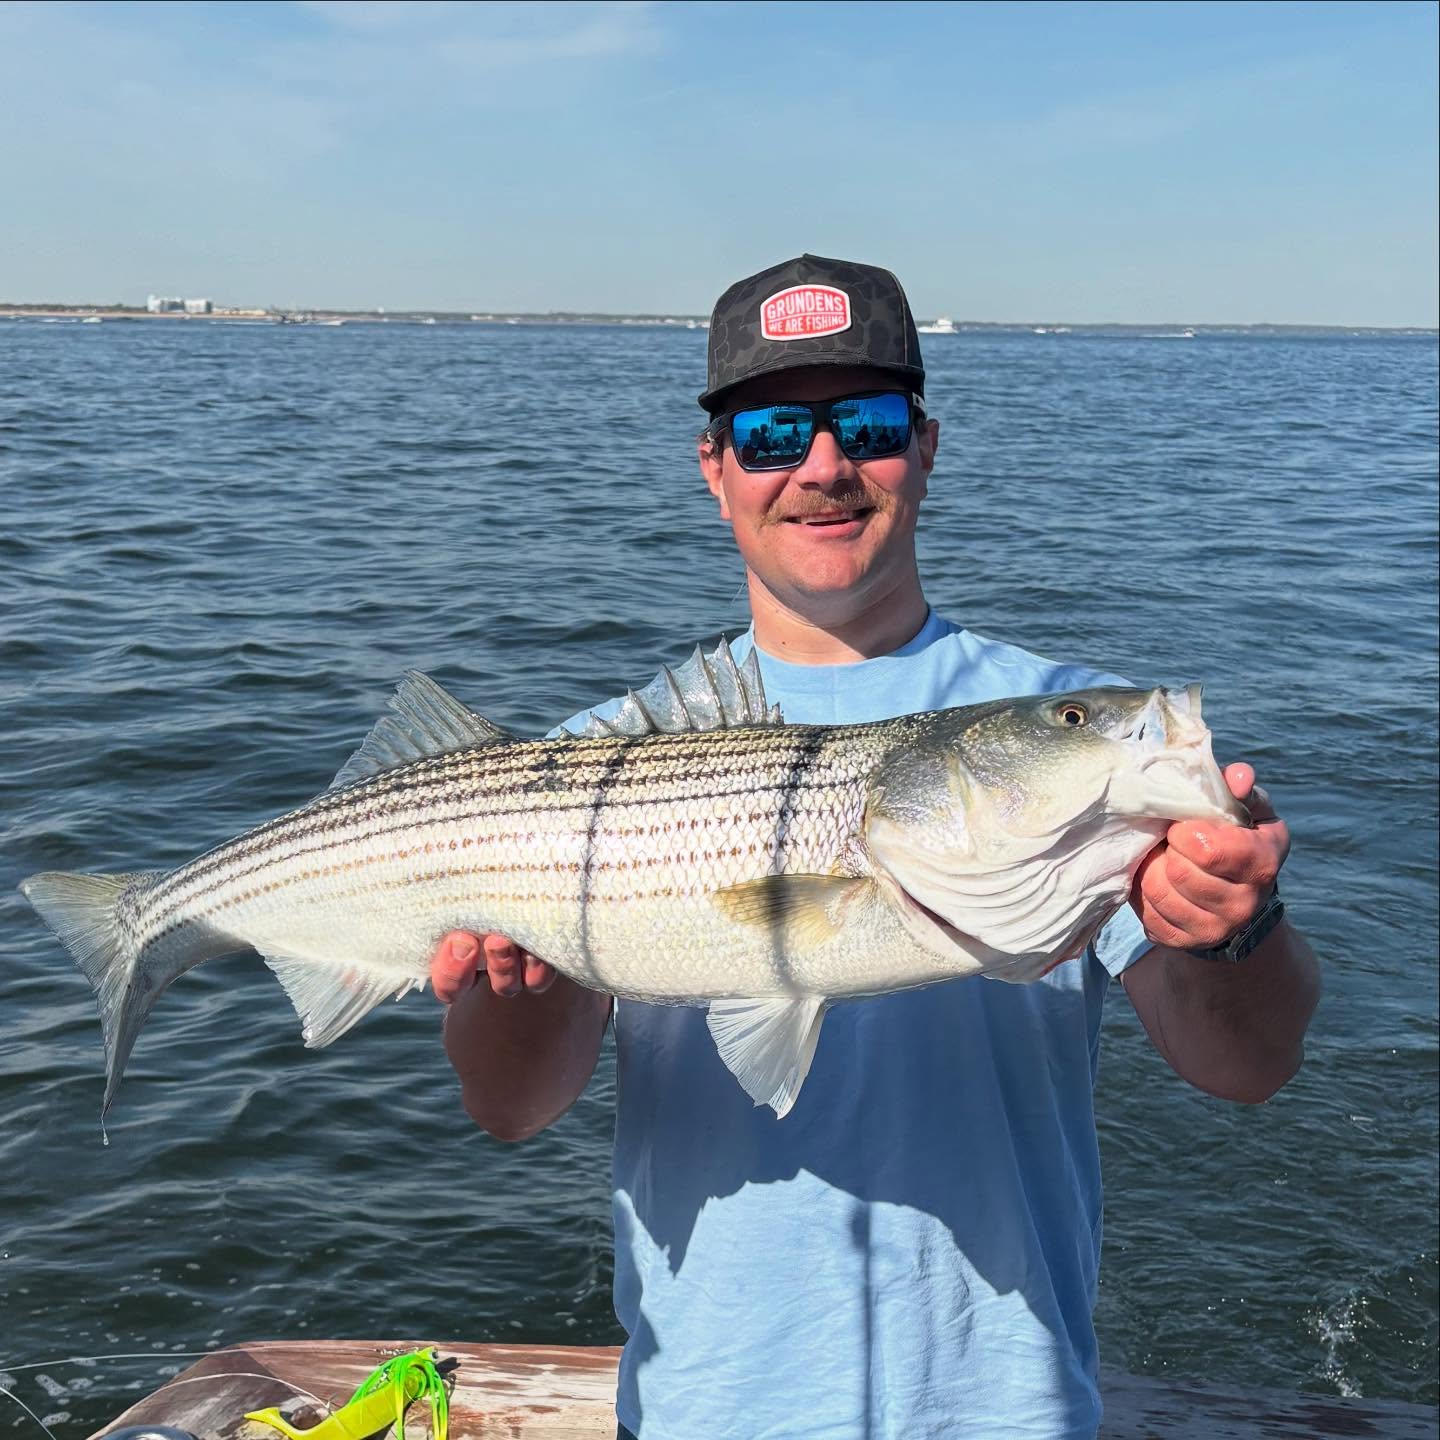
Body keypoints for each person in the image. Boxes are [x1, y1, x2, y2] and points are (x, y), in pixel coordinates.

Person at [430, 254, 1320, 1440]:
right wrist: (512, 982)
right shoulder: (596, 762)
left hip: (1007, 1412)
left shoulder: (1071, 732)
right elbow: (510, 1106)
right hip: (708, 1410)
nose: (825, 469)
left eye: (867, 424)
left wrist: (1236, 929)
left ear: (928, 444)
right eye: (770, 435)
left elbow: (1246, 1066)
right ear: (715, 468)